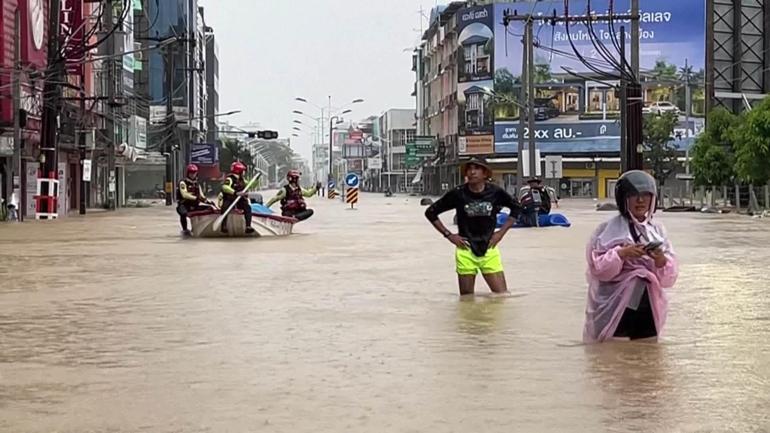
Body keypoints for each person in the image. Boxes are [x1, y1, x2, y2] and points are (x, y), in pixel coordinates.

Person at [583, 170, 679, 343]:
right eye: (634, 195)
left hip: (647, 301)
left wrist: (660, 259)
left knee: (648, 350)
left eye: (645, 195)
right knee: (613, 352)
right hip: (614, 304)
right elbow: (598, 269)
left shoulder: (657, 231)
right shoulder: (607, 230)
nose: (641, 200)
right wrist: (621, 254)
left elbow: (668, 277)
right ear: (624, 199)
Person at [424, 157, 523, 296]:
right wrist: (449, 235)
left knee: (502, 296)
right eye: (469, 169)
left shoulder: (495, 192)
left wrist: (500, 233)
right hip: (465, 249)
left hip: (489, 248)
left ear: (485, 173)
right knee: (467, 301)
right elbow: (431, 212)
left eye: (476, 168)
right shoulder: (458, 193)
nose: (472, 172)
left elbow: (517, 207)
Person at [218, 161, 255, 234]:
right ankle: (224, 226)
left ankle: (248, 226)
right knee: (225, 207)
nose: (244, 172)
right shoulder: (230, 179)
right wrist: (235, 193)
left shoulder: (243, 180)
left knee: (247, 207)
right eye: (243, 171)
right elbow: (225, 187)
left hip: (240, 201)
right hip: (230, 199)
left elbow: (251, 185)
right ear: (239, 171)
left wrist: (255, 181)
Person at [176, 164, 211, 236]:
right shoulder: (183, 183)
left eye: (194, 173)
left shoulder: (197, 184)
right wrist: (196, 198)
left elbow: (202, 196)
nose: (193, 175)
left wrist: (208, 201)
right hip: (184, 205)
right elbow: (184, 194)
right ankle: (185, 230)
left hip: (194, 205)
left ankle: (199, 228)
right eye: (191, 173)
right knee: (183, 214)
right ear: (188, 173)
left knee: (209, 209)